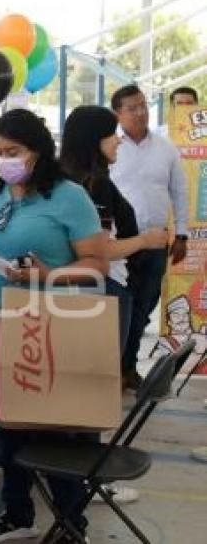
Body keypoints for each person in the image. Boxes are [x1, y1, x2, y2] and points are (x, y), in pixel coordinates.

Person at [0, 109, 108, 543]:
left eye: (13, 152)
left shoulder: (68, 196)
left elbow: (97, 265)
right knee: (8, 431)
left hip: (53, 327)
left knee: (53, 431)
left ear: (38, 152)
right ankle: (17, 513)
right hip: (0, 324)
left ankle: (69, 523)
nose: (4, 160)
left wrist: (45, 274)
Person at [60, 105, 170, 507]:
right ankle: (86, 480)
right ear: (95, 140)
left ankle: (70, 479)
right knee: (93, 392)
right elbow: (102, 250)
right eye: (112, 134)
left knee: (79, 391)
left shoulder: (73, 180)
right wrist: (146, 241)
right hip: (102, 291)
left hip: (87, 293)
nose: (119, 139)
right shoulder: (92, 187)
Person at [110, 84, 189, 391]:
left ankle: (127, 367)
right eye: (132, 107)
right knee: (121, 308)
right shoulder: (112, 148)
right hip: (120, 246)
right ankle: (116, 369)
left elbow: (179, 192)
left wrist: (180, 234)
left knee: (145, 306)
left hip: (156, 242)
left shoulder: (166, 148)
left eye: (143, 105)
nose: (141, 112)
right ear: (118, 113)